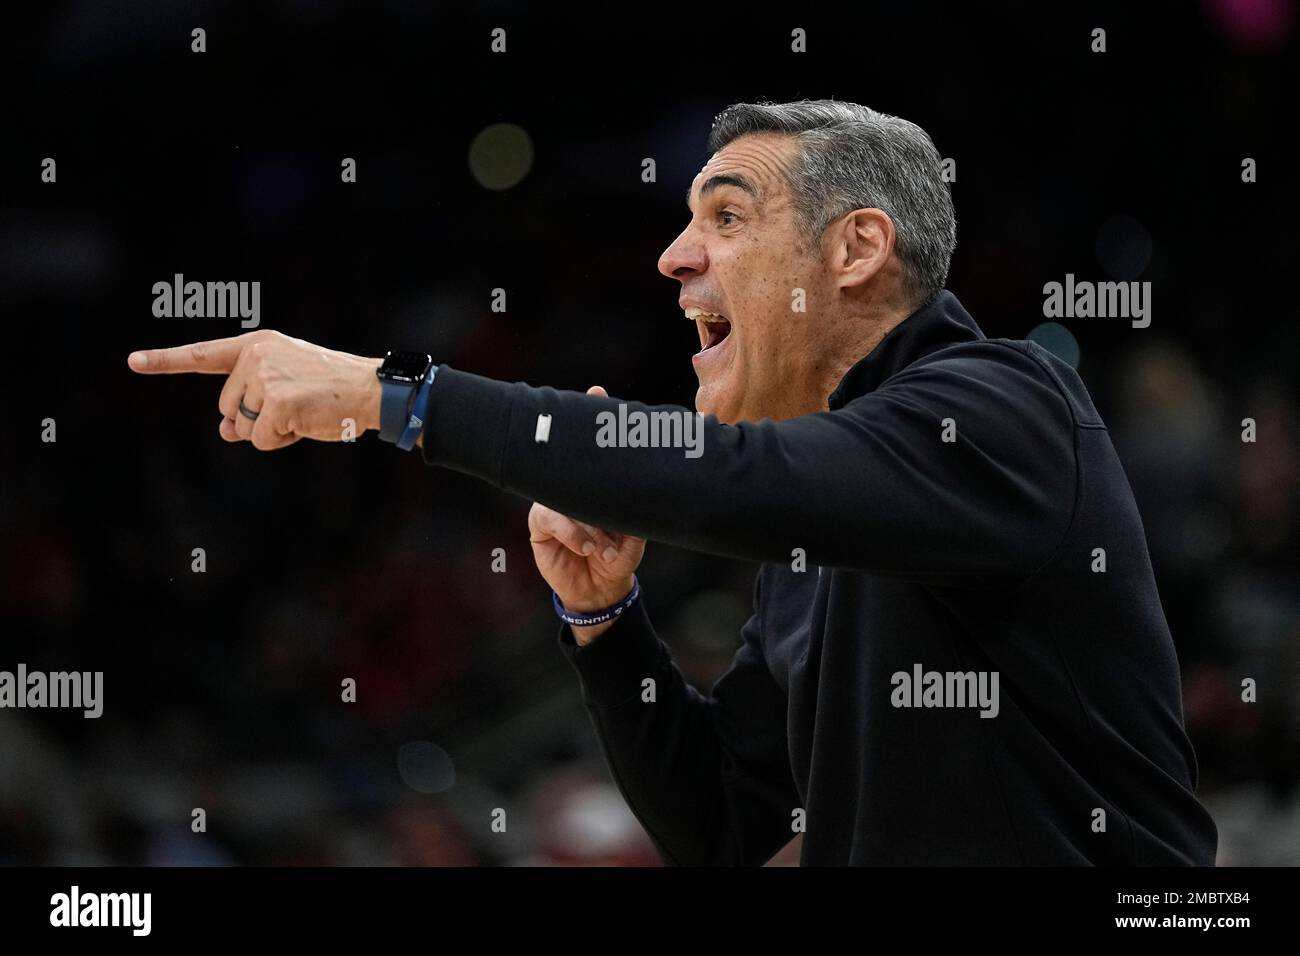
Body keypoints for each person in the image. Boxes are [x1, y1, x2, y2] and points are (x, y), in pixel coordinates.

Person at [127, 99, 1219, 866]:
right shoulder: (821, 535)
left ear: (856, 249)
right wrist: (603, 620)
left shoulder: (1004, 403)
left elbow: (735, 480)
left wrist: (393, 392)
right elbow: (728, 831)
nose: (671, 255)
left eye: (727, 216)